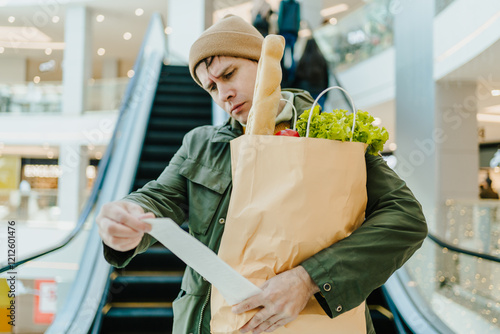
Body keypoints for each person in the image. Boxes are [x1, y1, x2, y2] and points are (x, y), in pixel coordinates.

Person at [97, 15, 427, 334]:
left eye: (228, 74)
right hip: (210, 322)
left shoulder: (332, 135)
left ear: (265, 63)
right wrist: (129, 216)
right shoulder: (201, 145)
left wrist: (308, 278)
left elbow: (405, 217)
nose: (222, 94)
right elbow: (160, 197)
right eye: (211, 87)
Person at [292, 37, 329, 108]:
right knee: (320, 114)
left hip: (306, 93)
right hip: (320, 91)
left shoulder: (303, 59)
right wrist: (326, 93)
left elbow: (297, 76)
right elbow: (326, 77)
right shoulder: (321, 59)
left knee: (309, 115)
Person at [277, 0, 301, 87]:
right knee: (292, 55)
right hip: (293, 32)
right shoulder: (296, 4)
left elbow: (280, 17)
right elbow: (298, 19)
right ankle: (291, 76)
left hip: (283, 31)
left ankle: (283, 75)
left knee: (281, 55)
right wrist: (297, 32)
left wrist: (278, 30)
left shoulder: (283, 3)